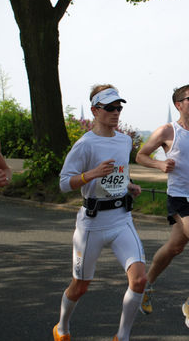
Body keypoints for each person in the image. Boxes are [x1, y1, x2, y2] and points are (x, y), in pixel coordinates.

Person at [53, 85, 147, 341]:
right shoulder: (85, 145)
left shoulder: (124, 140)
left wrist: (129, 185)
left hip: (121, 219)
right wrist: (90, 174)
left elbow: (119, 175)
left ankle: (122, 337)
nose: (116, 112)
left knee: (139, 280)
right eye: (110, 108)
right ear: (95, 111)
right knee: (80, 286)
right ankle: (61, 328)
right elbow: (63, 183)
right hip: (92, 223)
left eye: (119, 107)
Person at [135, 84, 189, 332]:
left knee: (175, 247)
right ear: (179, 104)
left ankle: (146, 284)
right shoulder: (167, 130)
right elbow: (141, 156)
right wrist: (159, 166)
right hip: (180, 198)